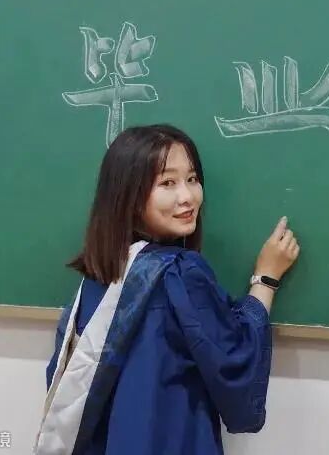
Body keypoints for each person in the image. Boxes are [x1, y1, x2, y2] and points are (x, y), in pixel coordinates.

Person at [35, 124, 300, 455]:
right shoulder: (179, 274)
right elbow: (234, 368)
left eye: (192, 179)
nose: (187, 197)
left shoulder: (98, 278)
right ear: (128, 195)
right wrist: (266, 278)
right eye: (167, 183)